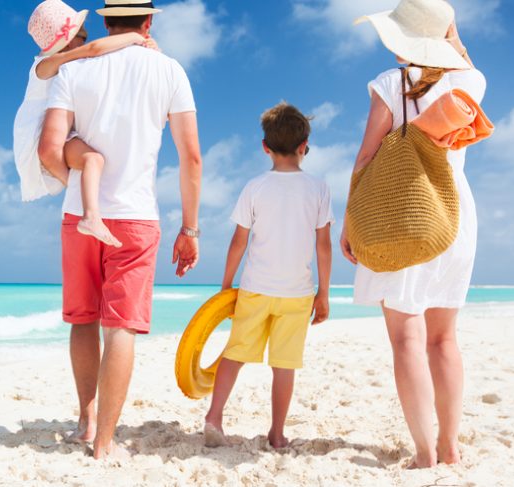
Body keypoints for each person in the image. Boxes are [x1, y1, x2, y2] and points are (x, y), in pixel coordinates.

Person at [37, 0, 203, 460]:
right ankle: (106, 442)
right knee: (121, 329)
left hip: (79, 216)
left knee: (82, 318)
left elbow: (50, 150)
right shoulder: (169, 71)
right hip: (135, 217)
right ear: (147, 22)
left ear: (105, 23)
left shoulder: (72, 70)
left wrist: (77, 186)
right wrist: (190, 227)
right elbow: (190, 157)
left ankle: (86, 421)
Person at [341, 0, 486, 469]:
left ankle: (425, 454)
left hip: (400, 211)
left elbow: (366, 157)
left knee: (407, 338)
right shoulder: (470, 82)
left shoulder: (391, 83)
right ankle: (449, 446)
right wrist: (450, 33)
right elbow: (461, 55)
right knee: (444, 339)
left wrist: (350, 221)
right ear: (444, 33)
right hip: (454, 212)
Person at [202, 103, 333, 449]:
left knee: (236, 353)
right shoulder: (319, 188)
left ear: (265, 147)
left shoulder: (255, 187)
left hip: (256, 288)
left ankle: (214, 417)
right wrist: (324, 293)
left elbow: (238, 242)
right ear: (305, 145)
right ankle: (276, 433)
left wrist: (226, 287)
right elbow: (324, 245)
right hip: (298, 293)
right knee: (284, 365)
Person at [14, 0, 155, 247]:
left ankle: (90, 213)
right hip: (39, 134)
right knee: (93, 160)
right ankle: (91, 216)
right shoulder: (43, 65)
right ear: (68, 40)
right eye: (83, 35)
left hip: (57, 129)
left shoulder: (66, 65)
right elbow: (95, 50)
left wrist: (147, 49)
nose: (87, 40)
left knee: (91, 164)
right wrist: (136, 36)